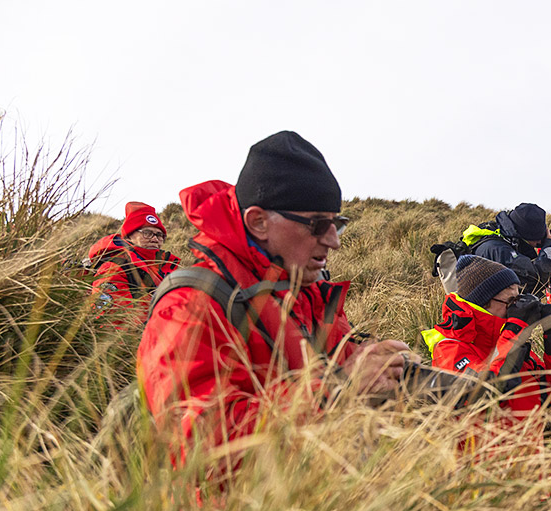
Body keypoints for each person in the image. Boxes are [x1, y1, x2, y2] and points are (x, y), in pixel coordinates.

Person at [137, 131, 411, 463]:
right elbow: (199, 445)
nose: (333, 241)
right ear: (259, 222)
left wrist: (390, 370)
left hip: (324, 498)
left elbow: (347, 366)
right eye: (317, 225)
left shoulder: (305, 293)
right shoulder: (189, 307)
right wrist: (339, 388)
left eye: (336, 224)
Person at [420, 255, 551, 416]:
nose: (517, 308)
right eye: (511, 302)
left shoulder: (505, 339)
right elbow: (486, 394)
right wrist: (515, 329)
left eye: (519, 299)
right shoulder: (448, 349)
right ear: (483, 303)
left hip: (534, 438)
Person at [459, 202, 551, 296]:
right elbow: (534, 277)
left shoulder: (506, 241)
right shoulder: (497, 248)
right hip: (483, 319)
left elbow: (533, 286)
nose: (538, 243)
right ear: (526, 235)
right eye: (538, 238)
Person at [85, 202, 180, 324]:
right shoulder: (114, 267)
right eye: (147, 233)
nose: (155, 239)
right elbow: (114, 322)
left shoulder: (166, 269)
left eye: (160, 235)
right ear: (129, 236)